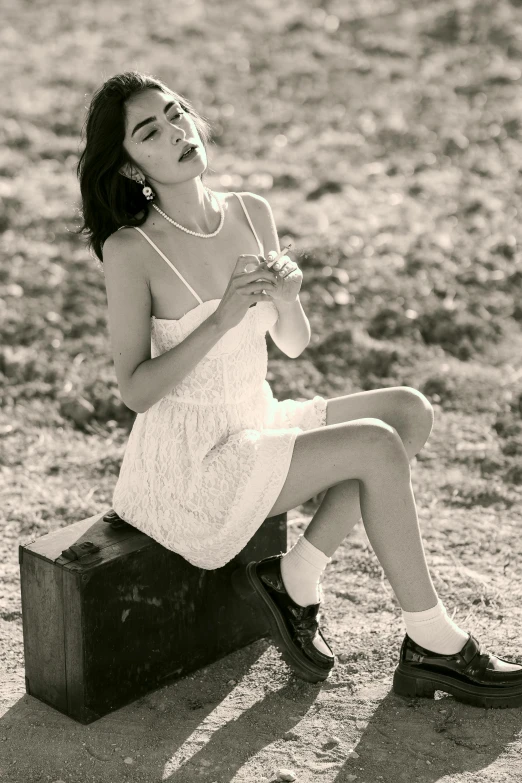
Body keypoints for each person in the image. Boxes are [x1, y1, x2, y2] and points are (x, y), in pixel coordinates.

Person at [76, 71, 522, 708]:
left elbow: (293, 343)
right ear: (127, 167)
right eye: (150, 131)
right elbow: (135, 391)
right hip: (189, 465)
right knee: (373, 445)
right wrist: (222, 318)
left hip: (254, 419)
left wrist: (288, 300)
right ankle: (436, 646)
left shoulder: (251, 212)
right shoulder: (132, 250)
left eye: (176, 114)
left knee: (407, 413)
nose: (177, 132)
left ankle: (296, 576)